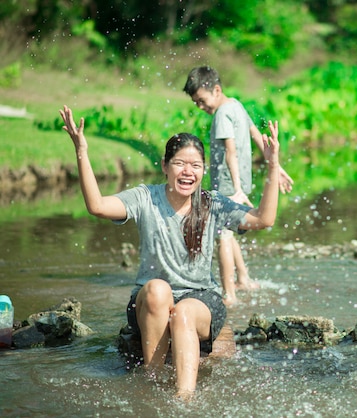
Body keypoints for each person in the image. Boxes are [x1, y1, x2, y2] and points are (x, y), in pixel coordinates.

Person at [59, 105, 282, 400]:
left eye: (196, 165)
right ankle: (151, 383)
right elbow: (97, 206)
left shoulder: (213, 203)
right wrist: (82, 151)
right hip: (151, 302)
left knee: (185, 312)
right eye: (179, 163)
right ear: (165, 165)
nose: (188, 171)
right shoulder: (145, 198)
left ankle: (183, 398)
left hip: (201, 300)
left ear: (203, 170)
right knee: (156, 290)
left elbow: (263, 219)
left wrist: (272, 165)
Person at [183, 66, 294, 306]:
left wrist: (236, 189)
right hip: (241, 181)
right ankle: (243, 277)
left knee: (222, 236)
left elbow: (230, 151)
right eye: (196, 103)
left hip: (228, 185)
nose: (201, 107)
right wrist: (276, 165)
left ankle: (228, 294)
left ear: (216, 89)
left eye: (202, 101)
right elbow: (257, 135)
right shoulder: (236, 104)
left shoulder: (222, 114)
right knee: (230, 234)